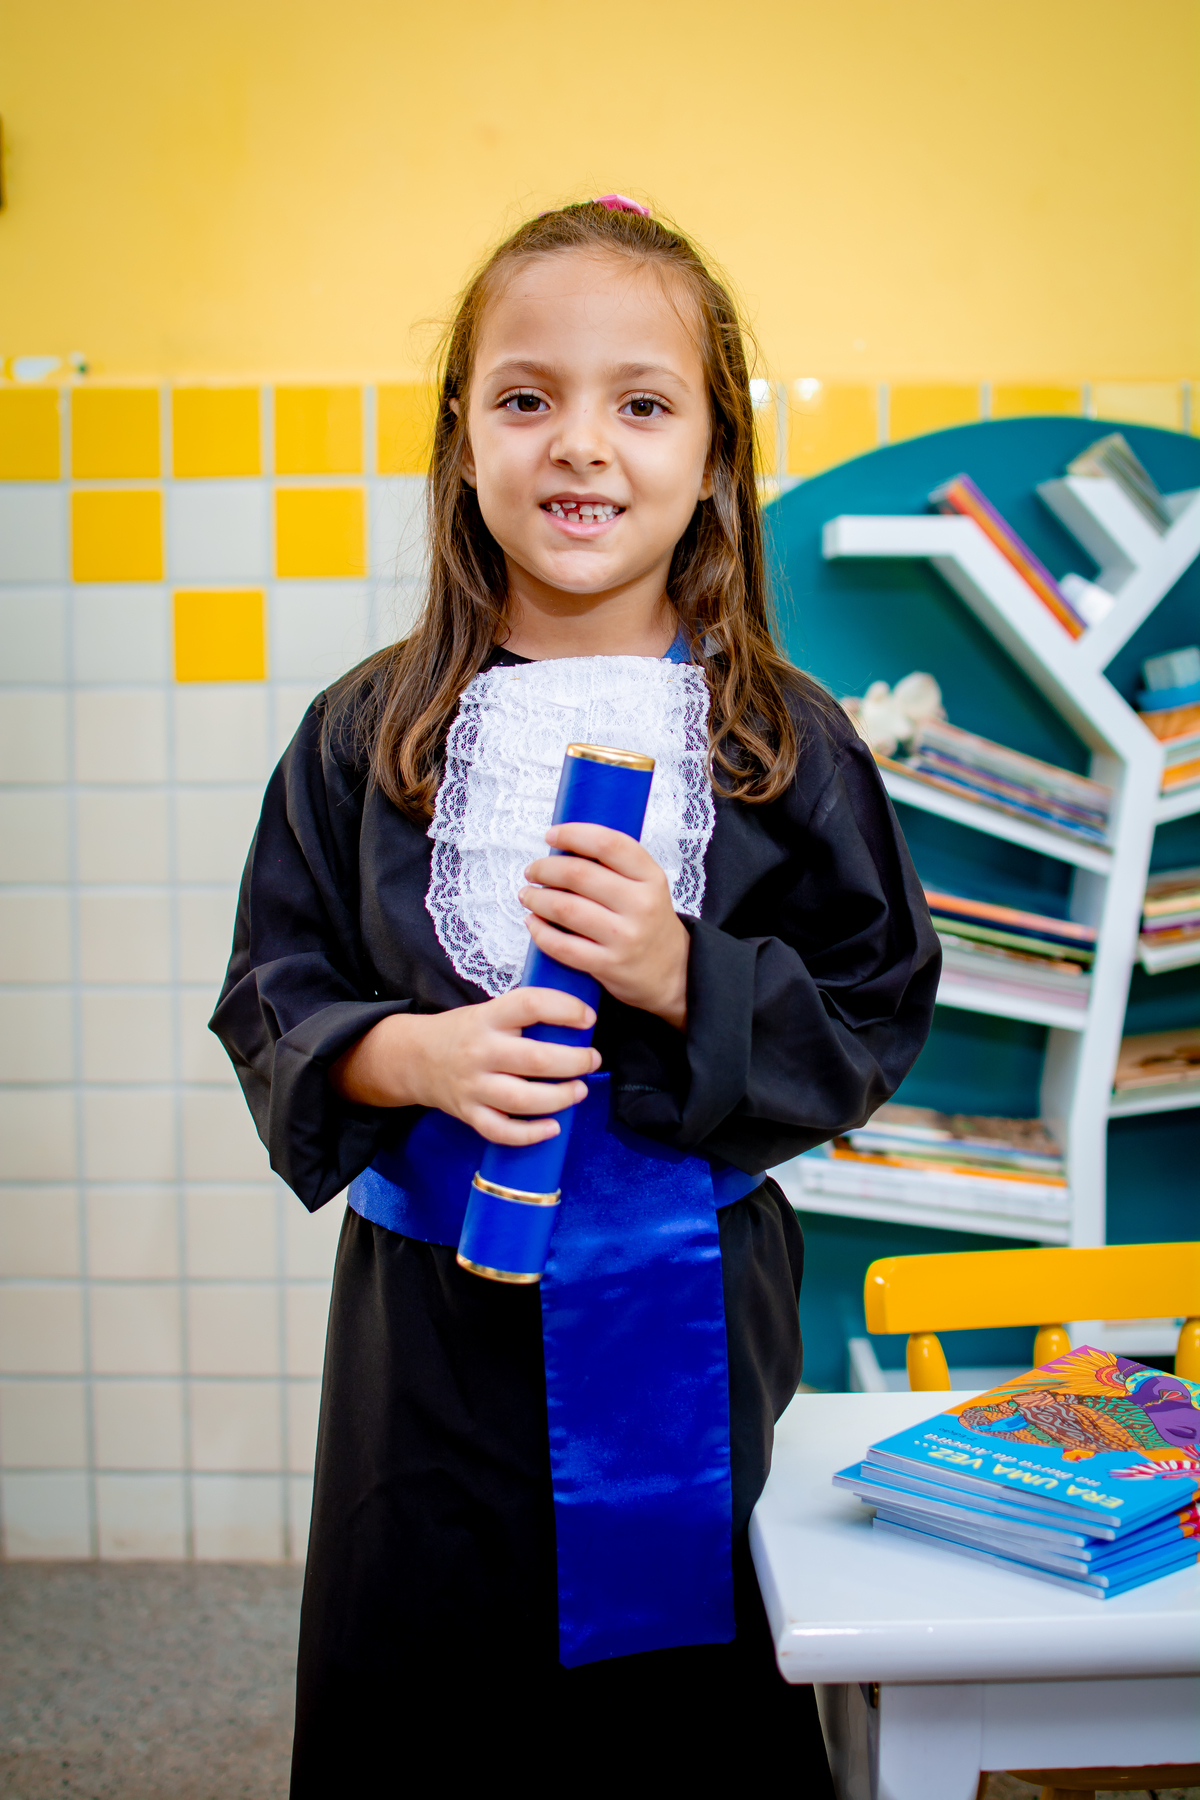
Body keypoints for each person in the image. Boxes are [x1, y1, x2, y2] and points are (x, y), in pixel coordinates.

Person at [211, 195, 940, 1795]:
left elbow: (874, 1007)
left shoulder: (783, 744)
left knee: (673, 1704)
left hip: (689, 1303)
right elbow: (273, 986)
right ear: (461, 437)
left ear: (717, 451)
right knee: (426, 1669)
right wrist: (410, 1054)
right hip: (427, 1332)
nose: (581, 445)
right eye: (527, 397)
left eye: (644, 403)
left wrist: (682, 972)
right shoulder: (367, 735)